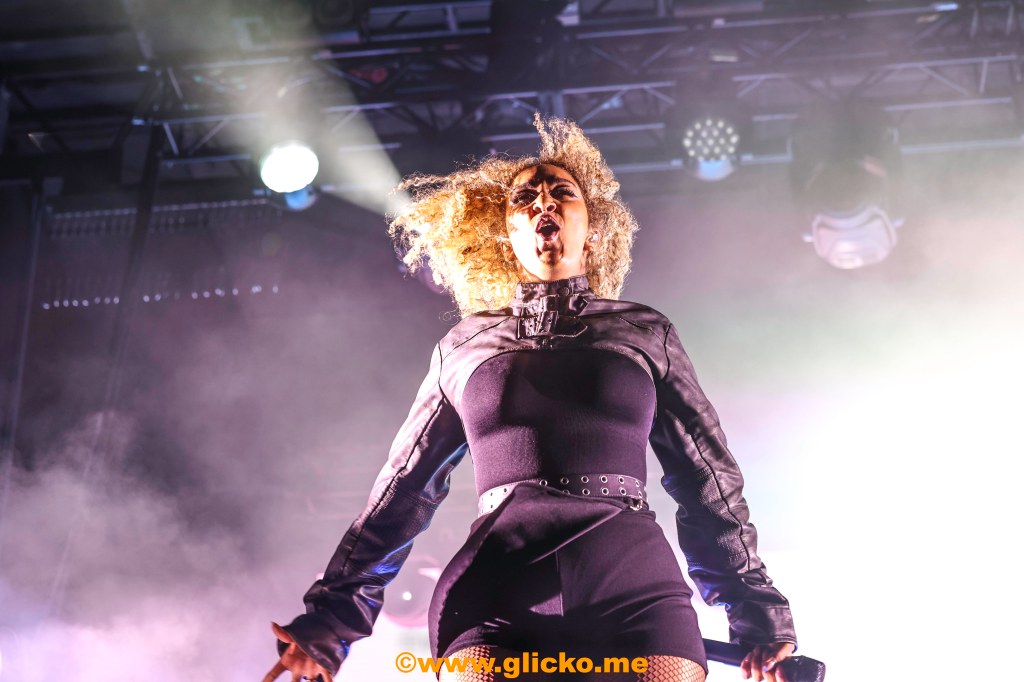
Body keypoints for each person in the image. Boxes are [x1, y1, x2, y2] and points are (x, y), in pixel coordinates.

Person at [263, 115, 798, 682]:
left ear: (593, 229)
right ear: (507, 235)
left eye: (562, 191)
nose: (544, 200)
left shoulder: (644, 333)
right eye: (525, 197)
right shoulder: (462, 349)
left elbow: (707, 480)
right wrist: (332, 620)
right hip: (498, 585)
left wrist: (758, 615)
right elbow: (403, 490)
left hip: (631, 581)